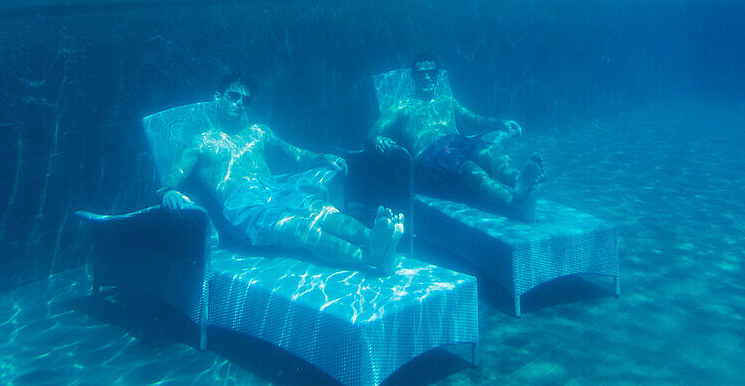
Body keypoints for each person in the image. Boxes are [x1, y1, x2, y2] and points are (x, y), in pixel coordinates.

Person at [161, 75, 404, 275]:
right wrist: (169, 190)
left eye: (245, 100)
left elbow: (294, 153)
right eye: (233, 96)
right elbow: (175, 174)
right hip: (244, 205)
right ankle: (373, 255)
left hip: (276, 190)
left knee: (323, 211)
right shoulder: (202, 142)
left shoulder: (258, 132)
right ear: (217, 98)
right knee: (302, 230)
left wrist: (322, 157)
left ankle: (371, 237)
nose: (240, 103)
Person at [368, 54, 545, 221]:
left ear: (437, 76)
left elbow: (475, 120)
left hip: (457, 142)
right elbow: (371, 133)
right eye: (422, 73)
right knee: (470, 168)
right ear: (414, 76)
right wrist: (377, 139)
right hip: (430, 152)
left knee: (492, 150)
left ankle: (520, 181)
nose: (427, 78)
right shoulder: (401, 107)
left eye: (432, 73)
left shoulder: (447, 101)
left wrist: (501, 123)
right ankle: (516, 204)